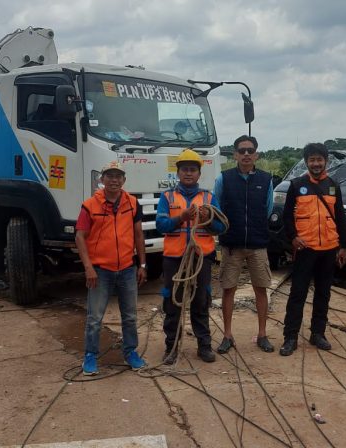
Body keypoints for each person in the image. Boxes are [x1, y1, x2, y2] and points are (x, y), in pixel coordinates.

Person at [75, 161, 148, 375]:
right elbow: (79, 237)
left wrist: (142, 264)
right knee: (95, 318)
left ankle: (130, 352)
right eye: (109, 176)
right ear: (102, 179)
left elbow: (138, 235)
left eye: (118, 176)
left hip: (127, 268)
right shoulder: (90, 205)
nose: (114, 180)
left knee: (130, 316)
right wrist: (88, 268)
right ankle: (90, 356)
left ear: (124, 180)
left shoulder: (132, 203)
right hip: (100, 271)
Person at [156, 148, 227, 364]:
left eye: (192, 170)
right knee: (172, 303)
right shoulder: (167, 197)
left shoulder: (208, 197)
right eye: (185, 169)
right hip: (174, 259)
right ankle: (171, 347)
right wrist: (181, 217)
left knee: (200, 301)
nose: (188, 173)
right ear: (178, 172)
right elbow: (161, 225)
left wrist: (206, 219)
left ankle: (204, 346)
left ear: (199, 174)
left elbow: (220, 227)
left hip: (201, 258)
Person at [279, 143, 346, 356]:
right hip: (305, 248)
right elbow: (287, 217)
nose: (316, 163)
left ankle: (318, 334)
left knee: (323, 293)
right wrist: (293, 237)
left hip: (329, 249)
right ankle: (290, 337)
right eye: (312, 160)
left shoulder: (333, 186)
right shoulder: (296, 185)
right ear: (306, 162)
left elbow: (340, 217)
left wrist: (344, 246)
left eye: (319, 159)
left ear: (325, 161)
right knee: (297, 294)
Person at [214, 135, 275, 354]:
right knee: (228, 289)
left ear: (256, 154)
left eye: (250, 150)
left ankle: (262, 334)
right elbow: (217, 209)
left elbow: (268, 208)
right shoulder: (224, 179)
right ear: (235, 155)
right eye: (242, 151)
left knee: (261, 289)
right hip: (232, 245)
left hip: (258, 244)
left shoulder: (266, 180)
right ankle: (227, 335)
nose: (246, 154)